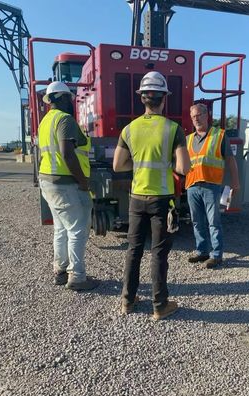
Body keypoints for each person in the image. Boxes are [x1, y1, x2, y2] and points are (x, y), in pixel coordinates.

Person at [113, 71, 191, 320]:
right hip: (162, 199)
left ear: (142, 99)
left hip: (137, 198)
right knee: (158, 253)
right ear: (163, 98)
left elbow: (118, 165)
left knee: (133, 250)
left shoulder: (129, 129)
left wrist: (139, 164)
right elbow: (183, 168)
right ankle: (160, 306)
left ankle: (127, 301)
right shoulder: (173, 129)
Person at [37, 81, 98, 291]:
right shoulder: (65, 119)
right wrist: (83, 181)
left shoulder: (45, 121)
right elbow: (67, 153)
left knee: (61, 228)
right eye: (69, 98)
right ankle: (78, 277)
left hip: (48, 181)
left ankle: (60, 270)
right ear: (62, 98)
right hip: (66, 183)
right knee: (77, 230)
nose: (71, 102)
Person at [185, 103, 240, 268]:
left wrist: (235, 182)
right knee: (196, 221)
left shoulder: (219, 135)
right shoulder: (188, 139)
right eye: (193, 116)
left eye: (199, 115)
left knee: (213, 222)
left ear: (207, 115)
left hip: (211, 185)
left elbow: (230, 160)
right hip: (192, 185)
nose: (196, 119)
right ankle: (202, 251)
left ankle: (216, 255)